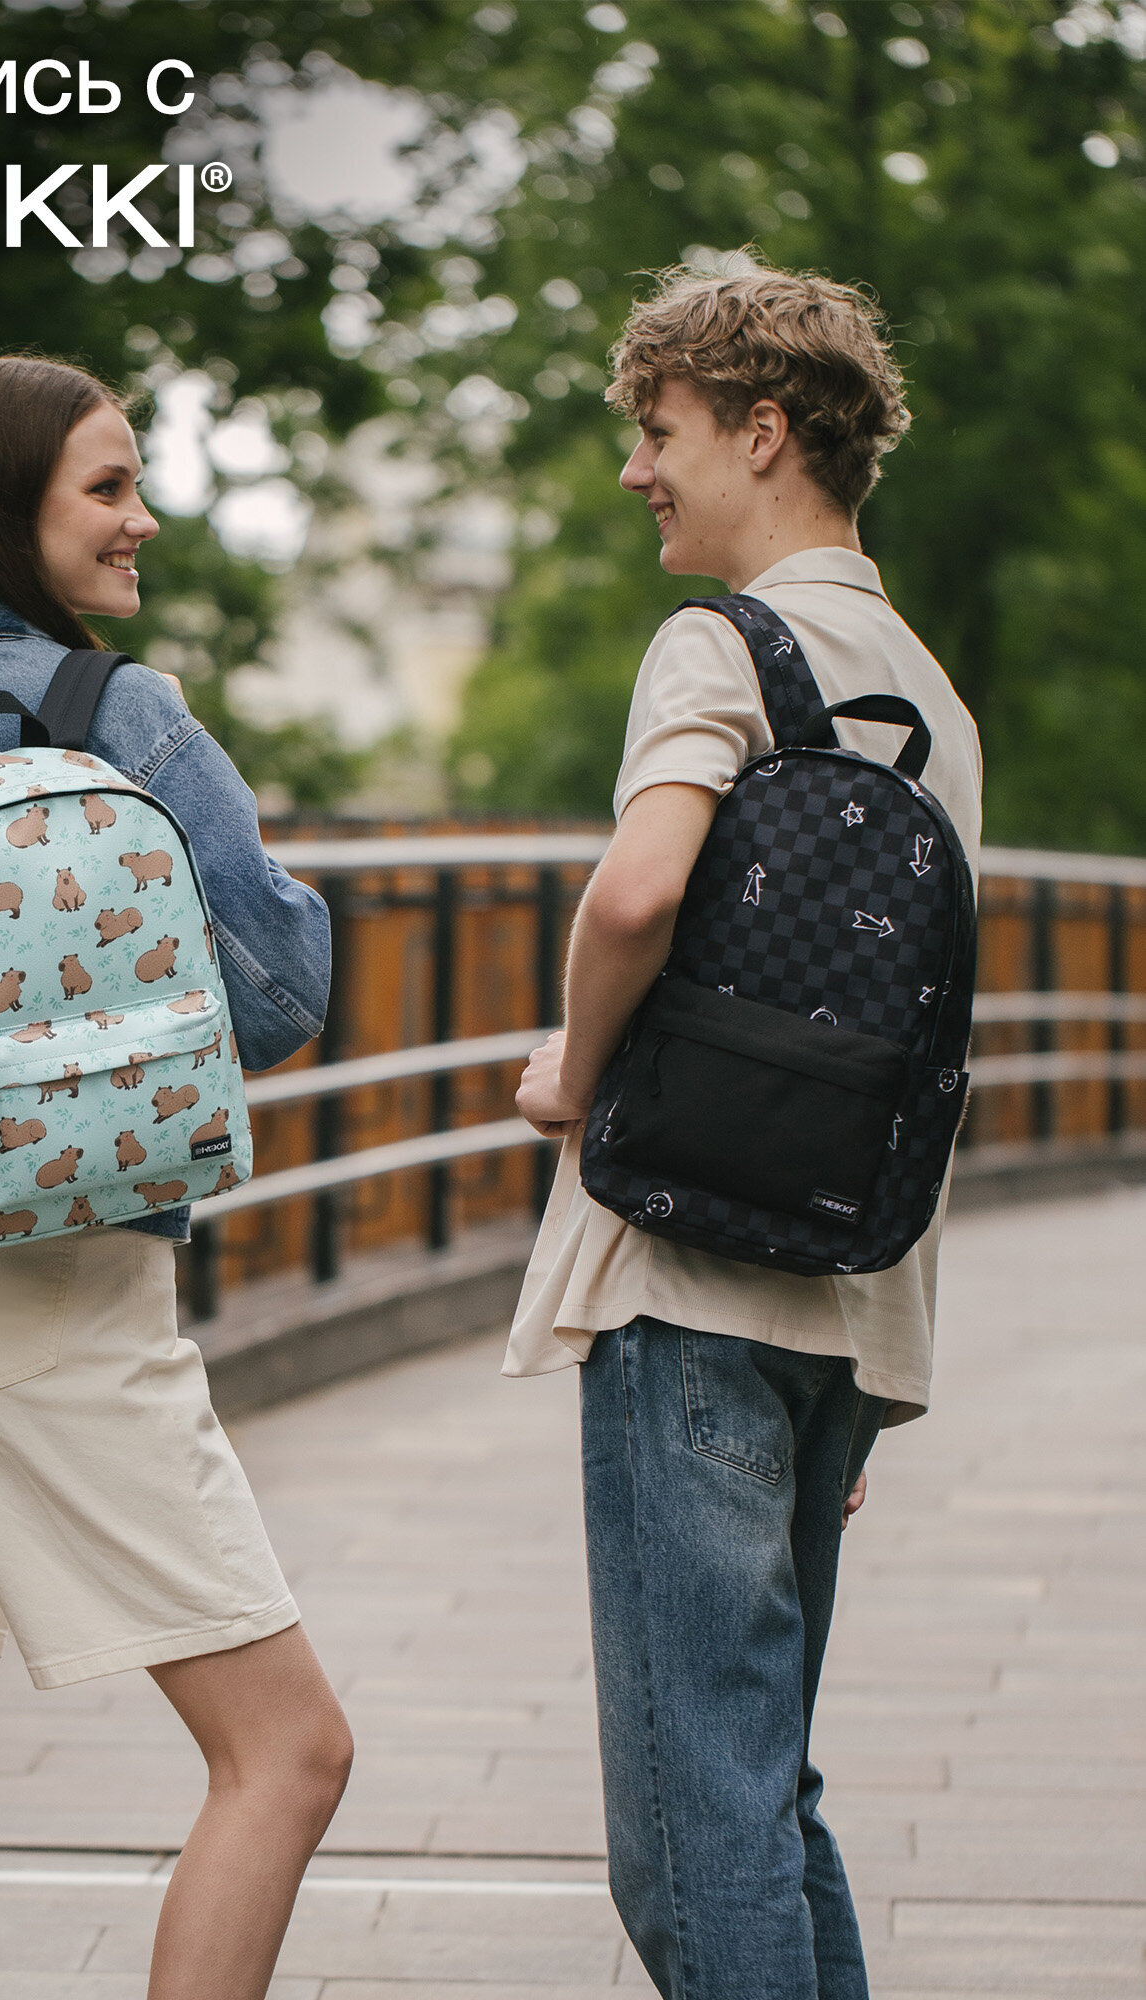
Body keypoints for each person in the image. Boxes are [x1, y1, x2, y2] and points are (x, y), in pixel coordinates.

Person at [0, 355, 352, 2000]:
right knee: (290, 1755)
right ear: (12, 506)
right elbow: (281, 993)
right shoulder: (125, 714)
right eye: (106, 486)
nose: (141, 518)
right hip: (49, 1290)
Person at [509, 260, 982, 1999]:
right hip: (849, 1294)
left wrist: (571, 1066)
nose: (639, 465)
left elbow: (638, 892)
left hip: (691, 1282)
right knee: (761, 1788)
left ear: (760, 431)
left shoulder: (722, 643)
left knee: (691, 1832)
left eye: (662, 428)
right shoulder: (922, 681)